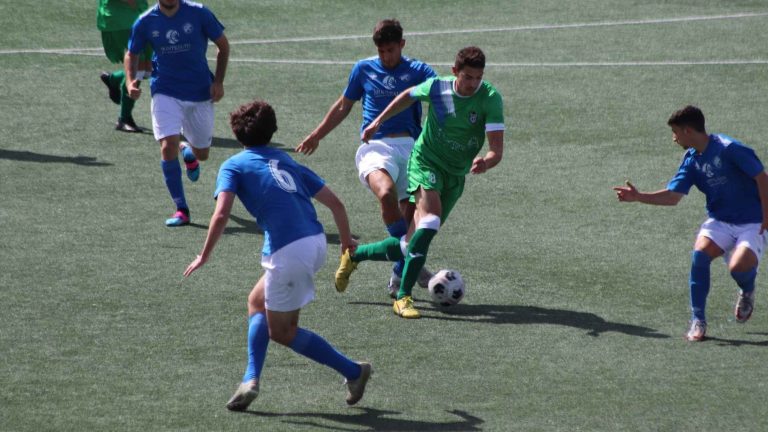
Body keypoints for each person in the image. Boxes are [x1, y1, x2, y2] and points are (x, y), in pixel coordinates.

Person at [184, 100, 372, 411]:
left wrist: (204, 255)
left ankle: (354, 371)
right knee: (257, 301)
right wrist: (345, 241)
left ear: (236, 133)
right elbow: (337, 204)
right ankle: (250, 379)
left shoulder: (233, 165)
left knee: (282, 332)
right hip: (315, 242)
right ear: (272, 131)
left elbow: (221, 214)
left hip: (289, 251)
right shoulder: (287, 161)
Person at [334, 46, 505, 319]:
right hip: (426, 163)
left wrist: (486, 161)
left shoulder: (490, 98)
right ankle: (403, 296)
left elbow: (497, 150)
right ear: (455, 72)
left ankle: (355, 255)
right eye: (467, 77)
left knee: (411, 242)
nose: (473, 83)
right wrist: (378, 121)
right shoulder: (438, 88)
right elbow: (407, 96)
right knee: (430, 221)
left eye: (478, 78)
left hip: (455, 176)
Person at [296, 19, 437, 297]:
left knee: (412, 222)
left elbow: (440, 101)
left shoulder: (419, 71)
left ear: (402, 45)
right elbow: (343, 106)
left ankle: (390, 270)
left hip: (412, 150)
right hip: (376, 146)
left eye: (391, 50)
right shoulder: (363, 69)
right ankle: (412, 263)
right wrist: (316, 135)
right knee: (385, 193)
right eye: (381, 51)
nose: (386, 56)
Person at [613, 105, 768, 341]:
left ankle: (747, 290)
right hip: (720, 221)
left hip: (752, 221)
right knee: (700, 255)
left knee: (738, 268)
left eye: (675, 132)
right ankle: (698, 320)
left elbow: (762, 177)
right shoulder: (691, 160)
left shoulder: (730, 149)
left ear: (687, 131)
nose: (674, 138)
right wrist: (639, 197)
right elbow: (673, 197)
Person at [124, 0, 229, 227]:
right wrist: (130, 81)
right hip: (165, 89)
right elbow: (131, 53)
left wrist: (219, 81)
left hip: (199, 91)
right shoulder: (145, 21)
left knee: (202, 154)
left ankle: (187, 150)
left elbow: (223, 45)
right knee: (167, 146)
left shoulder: (199, 13)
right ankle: (181, 209)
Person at [97, 0, 152, 132]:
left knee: (147, 69)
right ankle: (124, 119)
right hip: (122, 19)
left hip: (140, 13)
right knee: (137, 67)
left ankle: (114, 79)